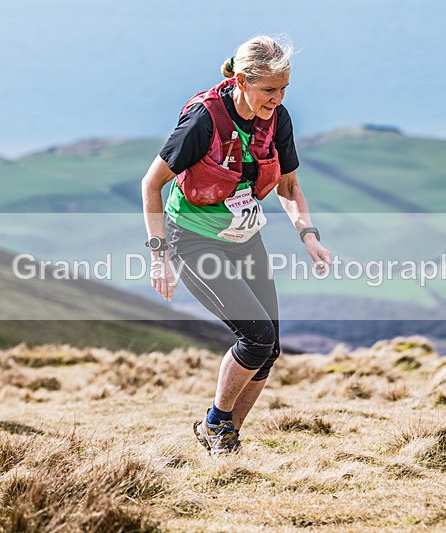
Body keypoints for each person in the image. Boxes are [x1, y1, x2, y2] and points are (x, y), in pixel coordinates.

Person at [141, 35, 331, 455]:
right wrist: (159, 257)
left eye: (283, 89)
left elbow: (288, 185)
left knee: (270, 349)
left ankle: (226, 440)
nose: (278, 99)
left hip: (243, 239)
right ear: (242, 80)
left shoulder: (277, 119)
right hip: (192, 240)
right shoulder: (203, 120)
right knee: (256, 337)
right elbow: (151, 183)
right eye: (269, 89)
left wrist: (309, 236)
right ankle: (215, 422)